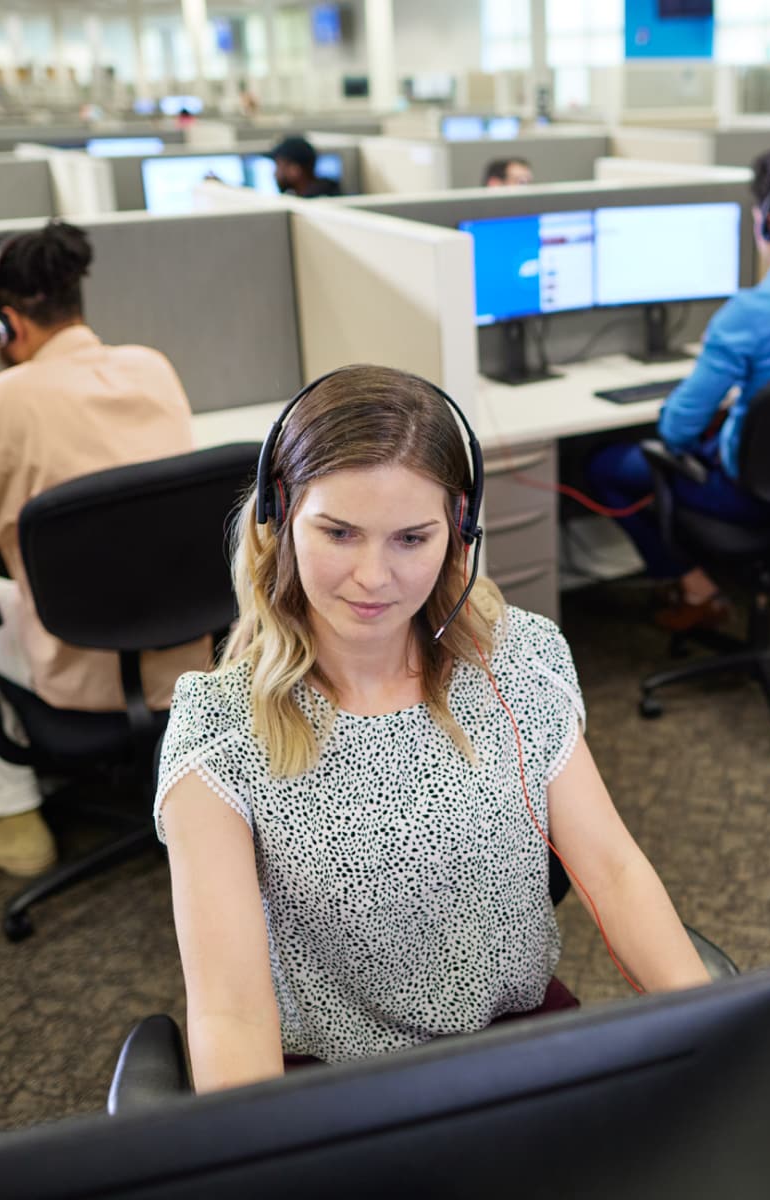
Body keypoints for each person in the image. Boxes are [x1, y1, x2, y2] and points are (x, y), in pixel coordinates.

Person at [155, 365, 711, 1093]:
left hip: (522, 1047)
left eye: (412, 538)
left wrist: (716, 1032)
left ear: (458, 532)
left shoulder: (519, 662)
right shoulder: (221, 733)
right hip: (334, 1089)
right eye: (339, 533)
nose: (373, 577)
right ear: (280, 516)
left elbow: (614, 871)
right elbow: (230, 1013)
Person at [0, 220, 206, 875]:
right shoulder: (151, 368)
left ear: (2, 326)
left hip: (83, 671)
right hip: (190, 660)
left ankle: (12, 818)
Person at [588, 150, 770, 631]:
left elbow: (676, 430)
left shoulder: (749, 313)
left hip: (751, 496)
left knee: (603, 467)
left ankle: (695, 588)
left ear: (767, 223)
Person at [270, 135, 342, 198]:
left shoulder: (316, 205)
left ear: (295, 170)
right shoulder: (325, 192)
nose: (275, 174)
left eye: (278, 166)